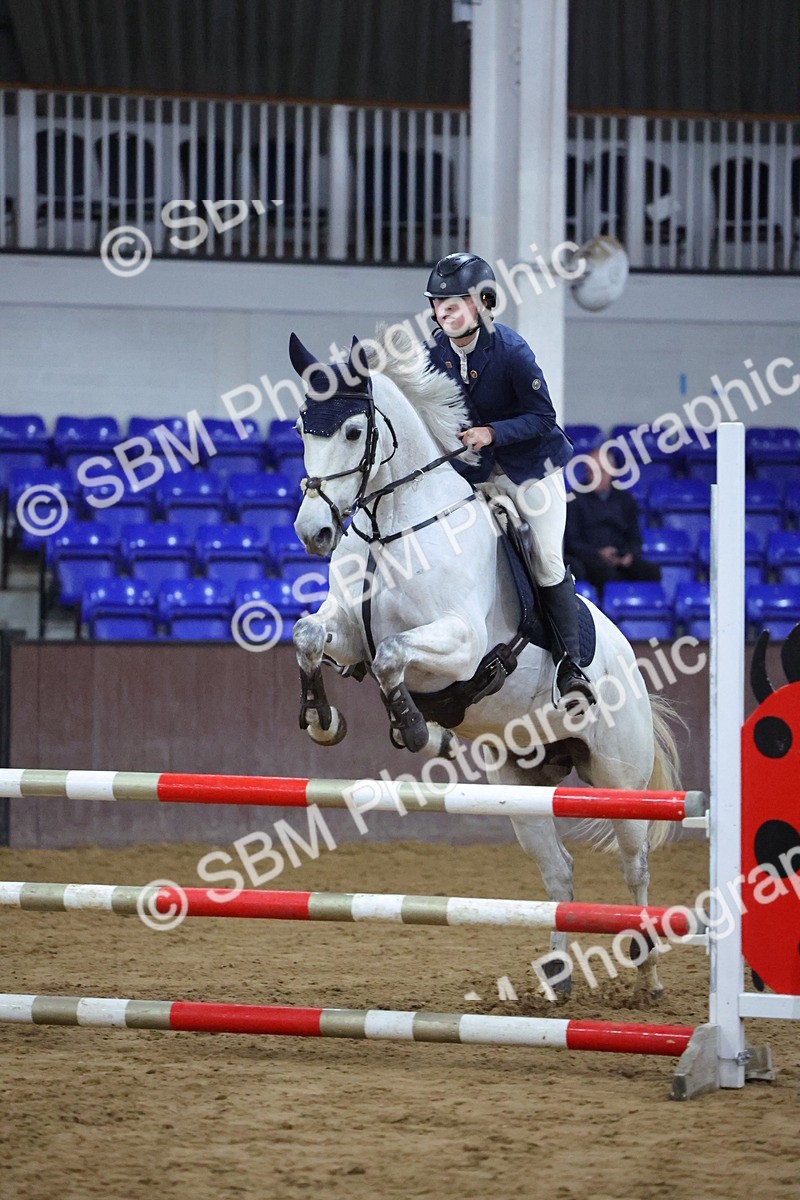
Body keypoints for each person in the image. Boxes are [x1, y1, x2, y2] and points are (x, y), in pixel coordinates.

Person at [424, 251, 595, 710]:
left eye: (455, 304)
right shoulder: (434, 355)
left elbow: (543, 418)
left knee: (546, 560)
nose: (445, 313)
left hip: (529, 469)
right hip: (477, 474)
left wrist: (493, 432)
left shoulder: (512, 351)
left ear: (481, 304)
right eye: (439, 305)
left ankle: (570, 669)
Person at [564, 446, 661, 598]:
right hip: (591, 558)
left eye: (600, 471)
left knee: (651, 572)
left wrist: (628, 556)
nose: (594, 477)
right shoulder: (574, 499)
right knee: (604, 573)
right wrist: (598, 553)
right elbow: (572, 542)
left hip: (621, 557)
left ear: (611, 471)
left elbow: (635, 538)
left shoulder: (625, 499)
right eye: (590, 472)